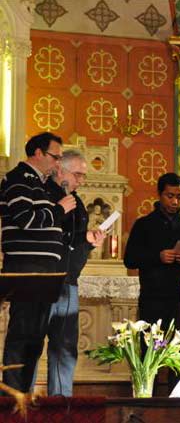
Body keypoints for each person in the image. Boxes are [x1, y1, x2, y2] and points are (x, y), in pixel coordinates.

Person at [0, 132, 76, 393]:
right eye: (55, 157)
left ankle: (24, 394)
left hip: (43, 269)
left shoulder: (40, 184)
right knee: (22, 333)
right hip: (27, 267)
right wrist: (59, 209)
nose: (57, 163)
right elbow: (26, 219)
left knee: (34, 337)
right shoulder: (18, 179)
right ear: (38, 153)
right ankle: (12, 396)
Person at [124, 172, 180, 393]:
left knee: (179, 351)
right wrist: (158, 256)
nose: (175, 202)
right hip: (153, 297)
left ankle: (177, 397)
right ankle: (145, 395)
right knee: (149, 351)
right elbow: (130, 259)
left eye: (179, 196)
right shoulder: (144, 225)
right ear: (160, 195)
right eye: (170, 196)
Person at [44, 149, 105, 396]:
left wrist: (89, 240)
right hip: (42, 279)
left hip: (68, 281)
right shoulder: (44, 194)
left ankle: (60, 402)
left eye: (83, 175)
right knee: (30, 342)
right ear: (60, 169)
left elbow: (74, 240)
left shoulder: (77, 203)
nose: (81, 180)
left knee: (65, 347)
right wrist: (59, 209)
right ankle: (20, 404)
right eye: (77, 174)